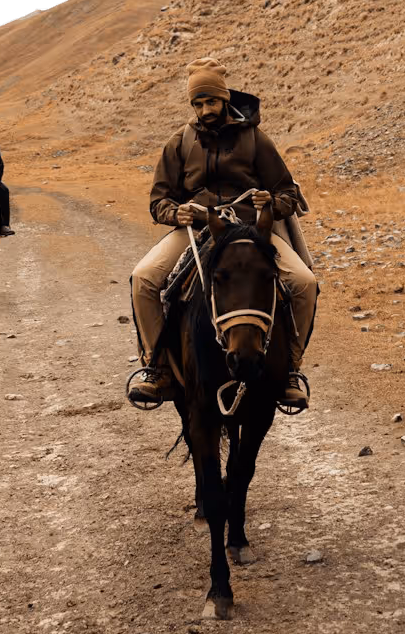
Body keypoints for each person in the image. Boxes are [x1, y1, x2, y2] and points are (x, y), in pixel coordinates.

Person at [127, 60, 315, 408]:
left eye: (210, 102)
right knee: (143, 279)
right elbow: (158, 200)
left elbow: (288, 193)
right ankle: (158, 369)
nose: (204, 110)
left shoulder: (256, 139)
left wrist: (270, 200)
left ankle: (290, 369)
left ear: (224, 100)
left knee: (304, 283)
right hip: (197, 229)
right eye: (197, 104)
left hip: (250, 231)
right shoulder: (179, 142)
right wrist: (175, 212)